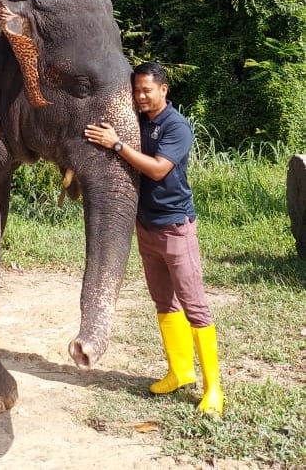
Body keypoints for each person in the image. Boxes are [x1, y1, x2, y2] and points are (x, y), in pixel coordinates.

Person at [84, 61, 224, 416]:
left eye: (147, 90)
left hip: (175, 226)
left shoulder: (176, 126)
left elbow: (159, 168)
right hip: (146, 226)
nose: (141, 96)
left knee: (194, 305)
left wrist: (117, 146)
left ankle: (213, 389)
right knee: (164, 302)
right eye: (137, 90)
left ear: (164, 89)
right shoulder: (139, 122)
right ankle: (179, 371)